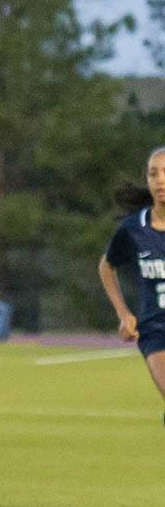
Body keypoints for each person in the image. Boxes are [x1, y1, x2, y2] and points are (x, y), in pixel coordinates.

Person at [99, 147, 165, 420]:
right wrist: (124, 313)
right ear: (147, 181)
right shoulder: (133, 229)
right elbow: (106, 266)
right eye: (153, 174)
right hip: (156, 332)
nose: (160, 180)